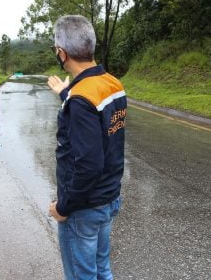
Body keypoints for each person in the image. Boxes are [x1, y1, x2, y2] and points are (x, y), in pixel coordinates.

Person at [47, 15, 127, 280]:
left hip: (83, 208)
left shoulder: (80, 99)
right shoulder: (112, 84)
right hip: (108, 198)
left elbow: (89, 165)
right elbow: (98, 120)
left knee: (82, 276)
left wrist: (64, 207)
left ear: (62, 53)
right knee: (102, 269)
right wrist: (65, 94)